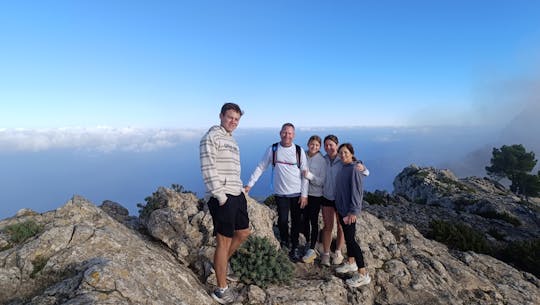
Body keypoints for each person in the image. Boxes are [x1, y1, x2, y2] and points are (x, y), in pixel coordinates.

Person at [200, 102, 250, 304]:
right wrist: (220, 196)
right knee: (224, 240)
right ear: (221, 116)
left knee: (244, 232)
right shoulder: (211, 137)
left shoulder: (232, 139)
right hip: (223, 197)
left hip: (236, 193)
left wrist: (240, 190)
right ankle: (221, 290)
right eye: (230, 117)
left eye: (237, 119)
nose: (233, 122)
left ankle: (220, 265)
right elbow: (208, 167)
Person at [244, 123, 309, 262]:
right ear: (280, 133)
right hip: (281, 193)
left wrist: (304, 194)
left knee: (296, 221)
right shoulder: (273, 149)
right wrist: (250, 185)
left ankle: (295, 246)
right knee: (283, 220)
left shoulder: (299, 151)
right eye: (285, 132)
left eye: (290, 133)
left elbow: (305, 173)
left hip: (297, 193)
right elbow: (261, 167)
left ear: (294, 135)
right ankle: (285, 242)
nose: (287, 135)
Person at [320, 135, 369, 266]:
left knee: (341, 227)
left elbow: (357, 168)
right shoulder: (322, 159)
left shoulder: (341, 159)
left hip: (340, 200)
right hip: (326, 196)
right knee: (328, 226)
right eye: (326, 145)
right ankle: (325, 253)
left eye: (331, 145)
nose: (329, 147)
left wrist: (364, 168)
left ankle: (338, 252)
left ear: (336, 145)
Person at [333, 143, 371, 287]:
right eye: (341, 153)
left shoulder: (355, 169)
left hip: (349, 211)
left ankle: (363, 274)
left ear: (352, 153)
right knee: (349, 240)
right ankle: (351, 262)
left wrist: (353, 211)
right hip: (342, 209)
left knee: (351, 241)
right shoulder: (344, 167)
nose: (343, 155)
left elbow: (357, 192)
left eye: (346, 153)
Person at [301, 135, 327, 263]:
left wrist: (310, 176)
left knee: (313, 220)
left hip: (315, 195)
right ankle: (306, 241)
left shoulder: (321, 161)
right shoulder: (302, 155)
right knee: (304, 219)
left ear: (319, 147)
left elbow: (322, 181)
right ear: (308, 144)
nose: (314, 147)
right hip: (302, 194)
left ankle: (312, 247)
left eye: (317, 145)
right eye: (312, 144)